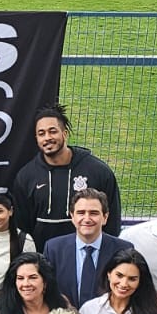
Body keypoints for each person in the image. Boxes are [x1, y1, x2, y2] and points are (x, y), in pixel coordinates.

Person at [11, 103, 122, 246]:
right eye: (41, 133)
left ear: (65, 134)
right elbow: (22, 227)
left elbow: (112, 221)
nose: (47, 137)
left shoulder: (99, 172)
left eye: (52, 131)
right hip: (42, 255)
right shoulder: (26, 176)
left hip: (86, 254)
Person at [43, 188, 135, 308]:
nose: (86, 219)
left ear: (105, 217)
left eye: (93, 213)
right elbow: (48, 291)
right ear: (72, 217)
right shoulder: (54, 249)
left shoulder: (122, 249)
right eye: (81, 213)